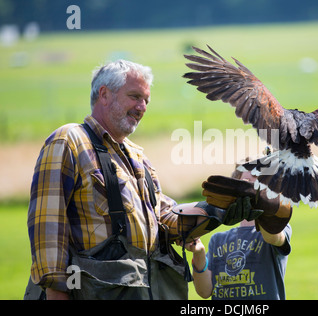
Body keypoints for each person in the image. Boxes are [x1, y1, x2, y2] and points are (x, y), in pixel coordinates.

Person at [24, 60, 260, 300]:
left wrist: (219, 209)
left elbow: (166, 220)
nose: (142, 107)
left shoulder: (138, 157)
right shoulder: (69, 141)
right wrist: (55, 292)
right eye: (135, 96)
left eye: (146, 100)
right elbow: (48, 229)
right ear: (104, 94)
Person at [183, 170, 292, 300]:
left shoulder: (275, 229)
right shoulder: (217, 240)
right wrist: (199, 253)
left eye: (259, 179)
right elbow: (205, 291)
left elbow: (274, 237)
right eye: (246, 182)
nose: (253, 184)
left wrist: (263, 206)